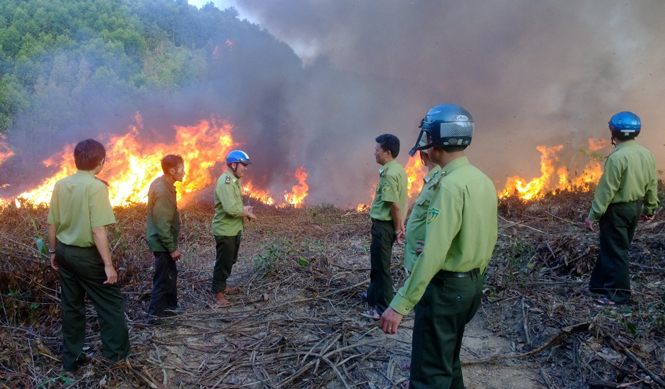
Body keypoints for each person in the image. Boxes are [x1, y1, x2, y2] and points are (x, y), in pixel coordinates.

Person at [379, 104, 498, 389]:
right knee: (447, 362)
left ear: (435, 140)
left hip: (444, 291)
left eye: (426, 135)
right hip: (469, 286)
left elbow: (433, 253)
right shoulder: (481, 180)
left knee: (429, 376)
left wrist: (400, 304)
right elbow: (486, 238)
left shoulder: (450, 186)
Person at [47, 139, 130, 372]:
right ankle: (117, 359)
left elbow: (52, 224)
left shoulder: (60, 184)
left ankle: (71, 360)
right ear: (101, 161)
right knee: (111, 303)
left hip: (64, 251)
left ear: (76, 159)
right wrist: (108, 265)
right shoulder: (96, 187)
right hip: (86, 256)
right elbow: (97, 230)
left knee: (72, 307)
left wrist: (53, 251)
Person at [584, 111, 659, 305]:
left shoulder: (617, 158)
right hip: (635, 207)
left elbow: (606, 191)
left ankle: (619, 294)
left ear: (613, 131)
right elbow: (652, 183)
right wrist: (650, 208)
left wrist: (593, 215)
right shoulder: (646, 154)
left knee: (616, 251)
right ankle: (598, 286)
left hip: (616, 210)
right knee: (612, 247)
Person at [364, 134, 408, 319]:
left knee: (382, 267)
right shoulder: (399, 169)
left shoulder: (389, 175)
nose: (374, 153)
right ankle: (373, 295)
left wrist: (398, 229)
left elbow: (395, 205)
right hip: (388, 225)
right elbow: (404, 202)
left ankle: (383, 307)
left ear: (387, 153)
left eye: (377, 150)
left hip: (384, 226)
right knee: (376, 263)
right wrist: (401, 224)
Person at [212, 150, 257, 306]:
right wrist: (247, 214)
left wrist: (244, 208)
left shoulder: (234, 181)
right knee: (223, 262)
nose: (245, 168)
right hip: (225, 230)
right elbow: (231, 209)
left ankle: (223, 287)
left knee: (230, 260)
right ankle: (218, 295)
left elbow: (233, 204)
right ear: (233, 165)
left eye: (246, 165)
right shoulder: (226, 182)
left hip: (233, 229)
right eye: (243, 165)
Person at [146, 155, 185, 320]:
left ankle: (170, 308)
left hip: (164, 242)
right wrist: (172, 248)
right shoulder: (163, 191)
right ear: (172, 170)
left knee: (170, 276)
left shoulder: (163, 183)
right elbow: (162, 226)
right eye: (182, 169)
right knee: (162, 279)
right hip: (162, 244)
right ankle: (155, 316)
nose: (184, 173)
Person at [404, 136, 441, 274]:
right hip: (415, 260)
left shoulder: (440, 181)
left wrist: (436, 247)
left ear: (423, 154)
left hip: (424, 264)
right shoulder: (431, 179)